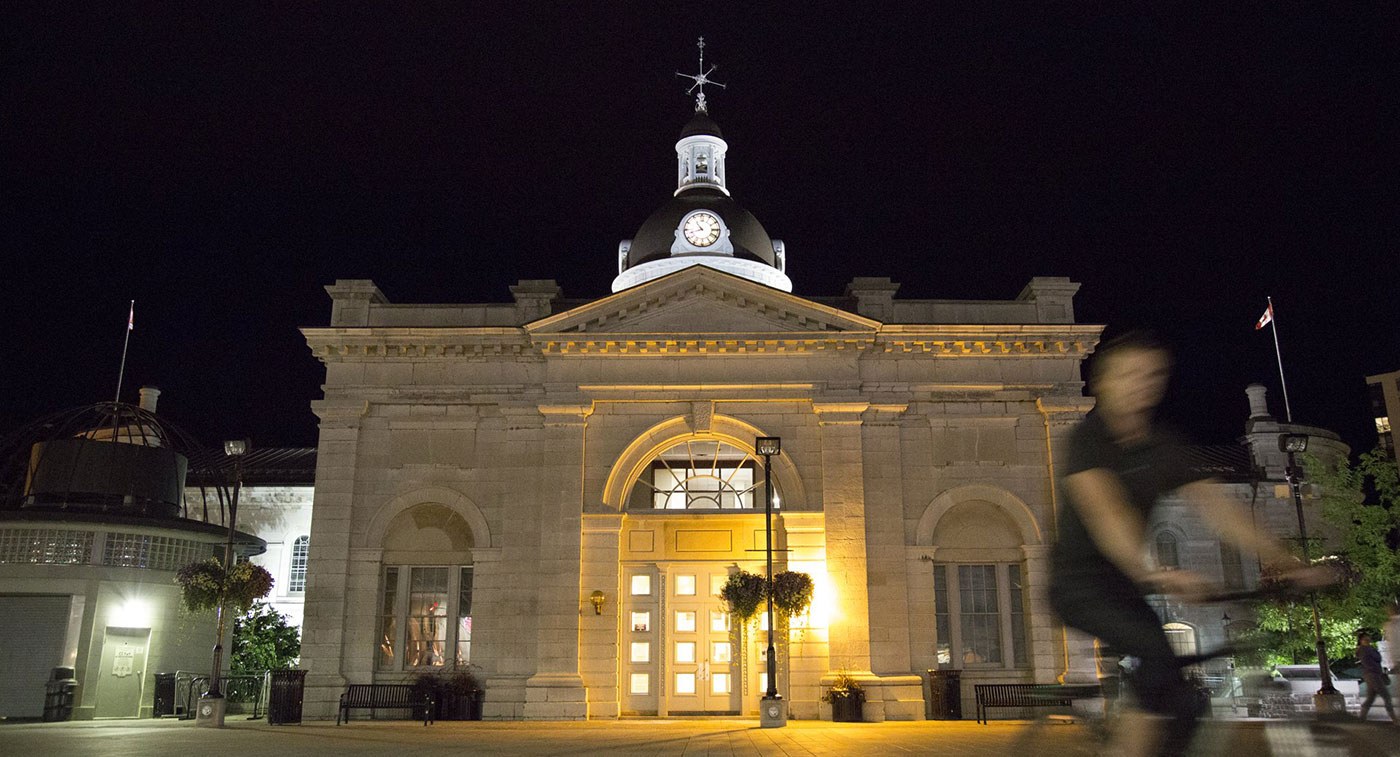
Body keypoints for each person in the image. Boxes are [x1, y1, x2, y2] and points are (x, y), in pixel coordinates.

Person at [1048, 332, 1322, 756]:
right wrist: (1154, 571)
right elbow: (1107, 514)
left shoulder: (1164, 446)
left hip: (1126, 587)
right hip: (1080, 585)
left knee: (1176, 699)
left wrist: (1288, 561)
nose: (1142, 383)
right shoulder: (1088, 440)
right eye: (1129, 373)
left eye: (1152, 374)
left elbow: (1222, 511)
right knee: (1158, 663)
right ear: (1103, 381)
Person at [1357, 631, 1396, 723]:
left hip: (1372, 674)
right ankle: (1394, 718)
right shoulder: (1365, 650)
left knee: (1370, 697)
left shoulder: (1367, 649)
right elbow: (1373, 661)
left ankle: (1362, 718)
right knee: (1385, 695)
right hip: (1373, 674)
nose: (1368, 640)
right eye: (1365, 639)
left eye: (1368, 638)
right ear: (1361, 640)